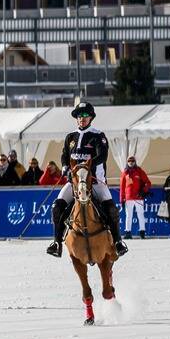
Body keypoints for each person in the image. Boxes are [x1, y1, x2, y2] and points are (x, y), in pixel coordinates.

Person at [48, 101, 127, 258]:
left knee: (111, 209)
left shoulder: (98, 136)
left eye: (85, 116)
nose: (81, 118)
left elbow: (102, 156)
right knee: (57, 207)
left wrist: (85, 166)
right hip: (74, 183)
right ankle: (57, 242)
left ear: (91, 118)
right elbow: (64, 155)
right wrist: (64, 167)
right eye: (79, 116)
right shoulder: (70, 136)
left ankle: (118, 242)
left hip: (95, 181)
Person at [118, 157, 150, 235]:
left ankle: (142, 231)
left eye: (132, 161)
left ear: (135, 162)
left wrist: (143, 191)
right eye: (129, 161)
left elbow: (148, 183)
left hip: (138, 197)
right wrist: (121, 199)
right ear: (127, 162)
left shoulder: (139, 171)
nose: (131, 162)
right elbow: (122, 187)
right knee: (129, 216)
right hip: (128, 198)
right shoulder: (125, 172)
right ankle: (128, 232)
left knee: (140, 215)